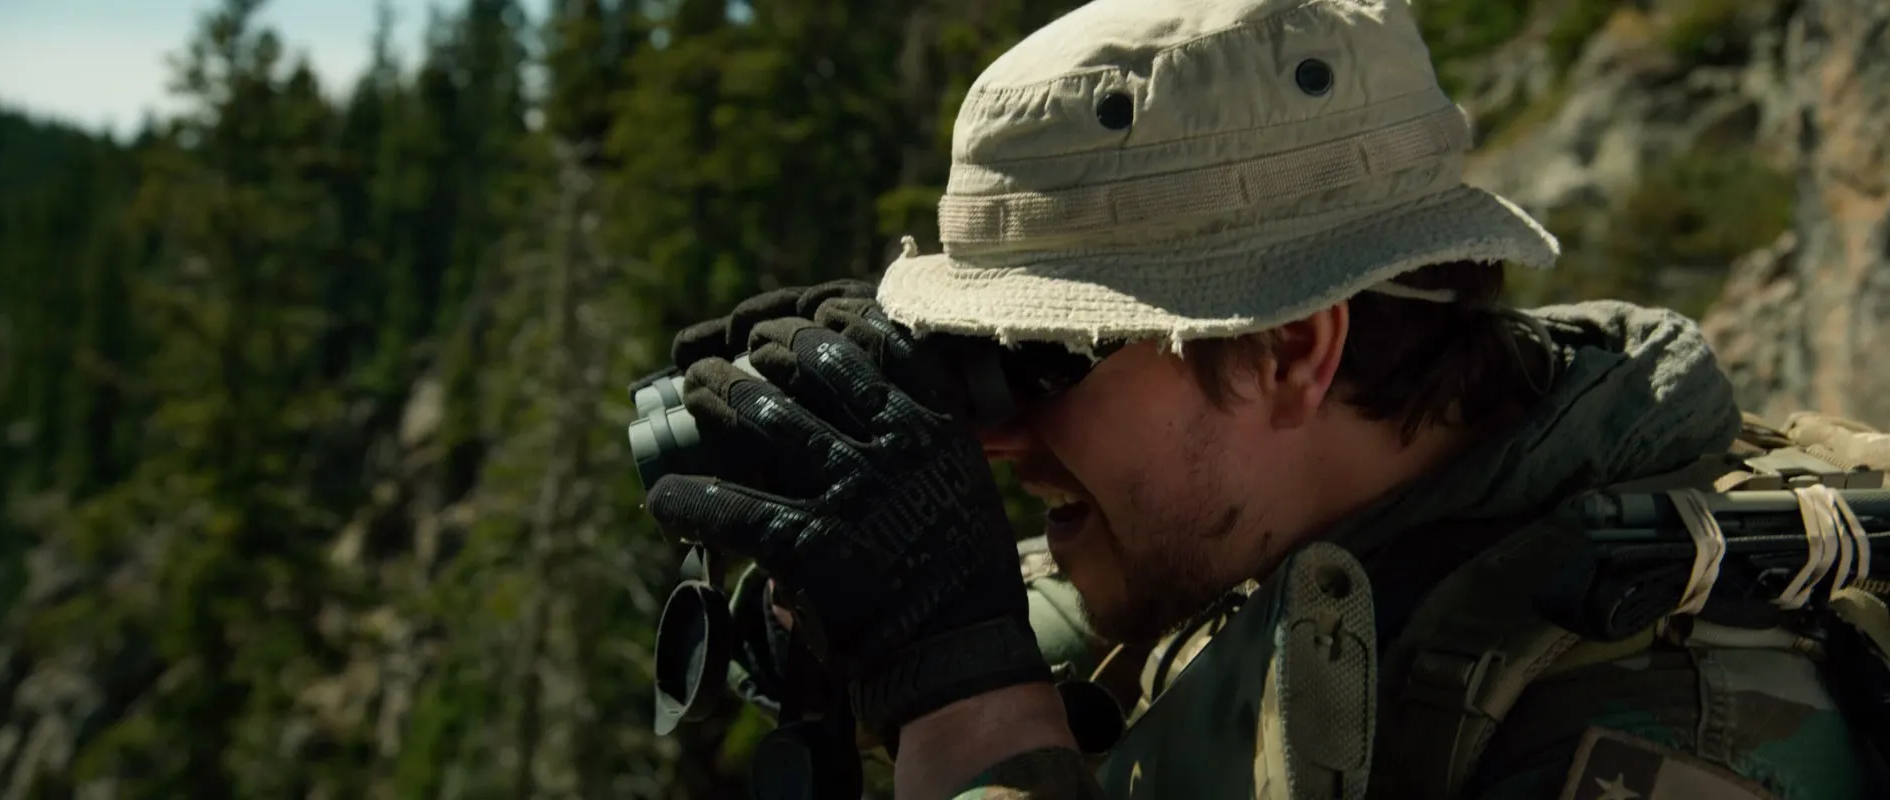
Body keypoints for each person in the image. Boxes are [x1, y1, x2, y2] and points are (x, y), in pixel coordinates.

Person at [644, 0, 1887, 797]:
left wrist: (965, 703)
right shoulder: (1291, 532)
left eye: (1035, 357)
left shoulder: (1663, 721)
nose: (1000, 433)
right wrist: (871, 584)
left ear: (1291, 351)